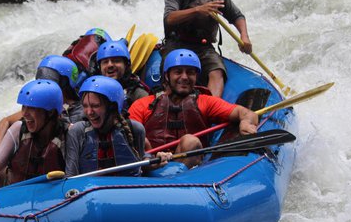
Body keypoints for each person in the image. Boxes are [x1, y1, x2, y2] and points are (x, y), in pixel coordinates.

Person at [129, 49, 258, 168]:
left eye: (190, 72)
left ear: (196, 77)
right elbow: (127, 135)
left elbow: (246, 113)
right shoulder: (143, 104)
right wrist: (150, 156)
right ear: (167, 76)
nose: (184, 77)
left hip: (189, 171)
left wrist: (246, 122)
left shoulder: (206, 102)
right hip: (152, 165)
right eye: (178, 72)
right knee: (142, 140)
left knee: (190, 141)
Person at [163, 0, 253, 97]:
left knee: (217, 72)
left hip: (204, 47)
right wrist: (198, 10)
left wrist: (244, 36)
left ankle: (210, 107)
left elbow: (236, 16)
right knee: (175, 74)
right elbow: (170, 18)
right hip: (177, 44)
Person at [0, 79, 67, 204]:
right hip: (14, 200)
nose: (24, 113)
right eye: (23, 107)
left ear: (50, 112)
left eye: (31, 108)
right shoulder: (18, 130)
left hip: (52, 200)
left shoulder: (68, 134)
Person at [0, 55, 86, 161]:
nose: (41, 85)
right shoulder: (39, 107)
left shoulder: (81, 112)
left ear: (64, 82)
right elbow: (6, 121)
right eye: (40, 79)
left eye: (48, 79)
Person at [65, 76, 169, 177]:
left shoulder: (135, 129)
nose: (89, 112)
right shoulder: (77, 131)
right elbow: (70, 176)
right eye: (85, 106)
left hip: (125, 191)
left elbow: (140, 166)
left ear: (113, 107)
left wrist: (153, 163)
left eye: (95, 106)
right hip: (91, 191)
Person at [95, 39, 150, 108]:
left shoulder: (138, 95)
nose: (110, 65)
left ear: (126, 65)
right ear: (99, 67)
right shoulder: (93, 94)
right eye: (105, 62)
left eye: (116, 61)